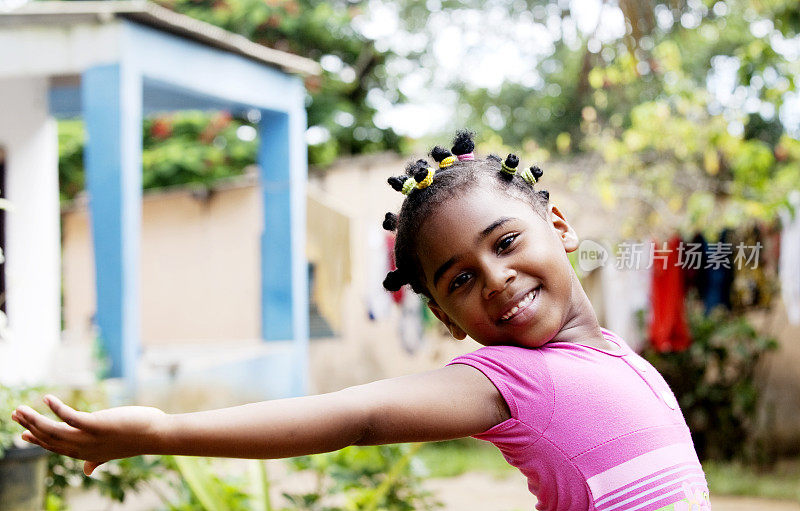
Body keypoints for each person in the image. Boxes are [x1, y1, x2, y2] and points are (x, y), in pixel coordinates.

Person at [12, 130, 711, 511]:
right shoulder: (512, 379)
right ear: (445, 315)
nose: (496, 278)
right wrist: (163, 431)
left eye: (505, 242)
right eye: (460, 279)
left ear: (557, 225)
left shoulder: (616, 353)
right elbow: (357, 414)